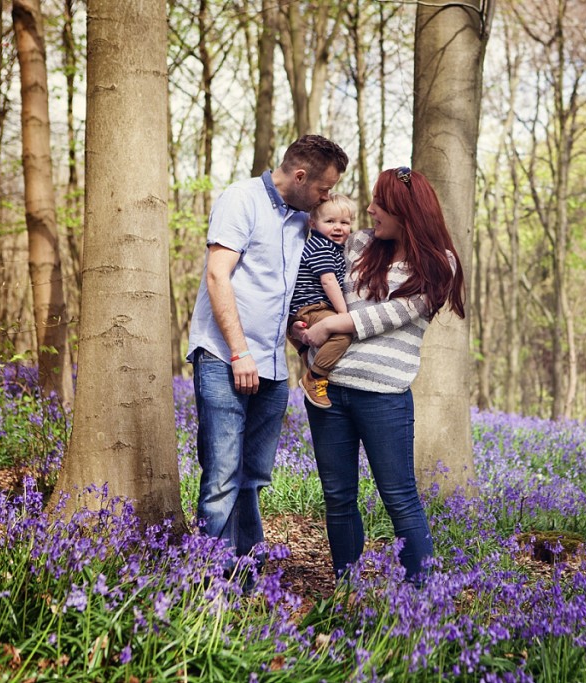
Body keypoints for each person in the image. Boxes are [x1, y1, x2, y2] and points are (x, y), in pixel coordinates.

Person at [290, 166, 465, 584]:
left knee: (400, 498)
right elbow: (317, 279)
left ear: (405, 211)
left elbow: (386, 316)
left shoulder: (440, 264)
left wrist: (331, 327)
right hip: (328, 392)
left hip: (384, 397)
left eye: (379, 204)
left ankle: (422, 599)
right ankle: (346, 589)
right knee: (338, 497)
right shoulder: (360, 243)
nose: (369, 210)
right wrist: (302, 336)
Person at [187, 134, 348, 577]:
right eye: (323, 189)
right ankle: (207, 588)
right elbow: (219, 277)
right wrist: (240, 354)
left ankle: (246, 576)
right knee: (221, 478)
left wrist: (296, 333)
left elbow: (288, 286)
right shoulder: (241, 200)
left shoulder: (302, 219)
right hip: (226, 358)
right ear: (299, 176)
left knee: (253, 479)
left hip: (273, 367)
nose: (326, 197)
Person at [288, 194, 356, 409]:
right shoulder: (321, 246)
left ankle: (307, 356)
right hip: (311, 307)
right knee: (342, 333)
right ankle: (314, 377)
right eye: (330, 221)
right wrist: (344, 314)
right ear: (312, 223)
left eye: (344, 223)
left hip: (316, 307)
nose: (338, 228)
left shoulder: (334, 248)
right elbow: (328, 282)